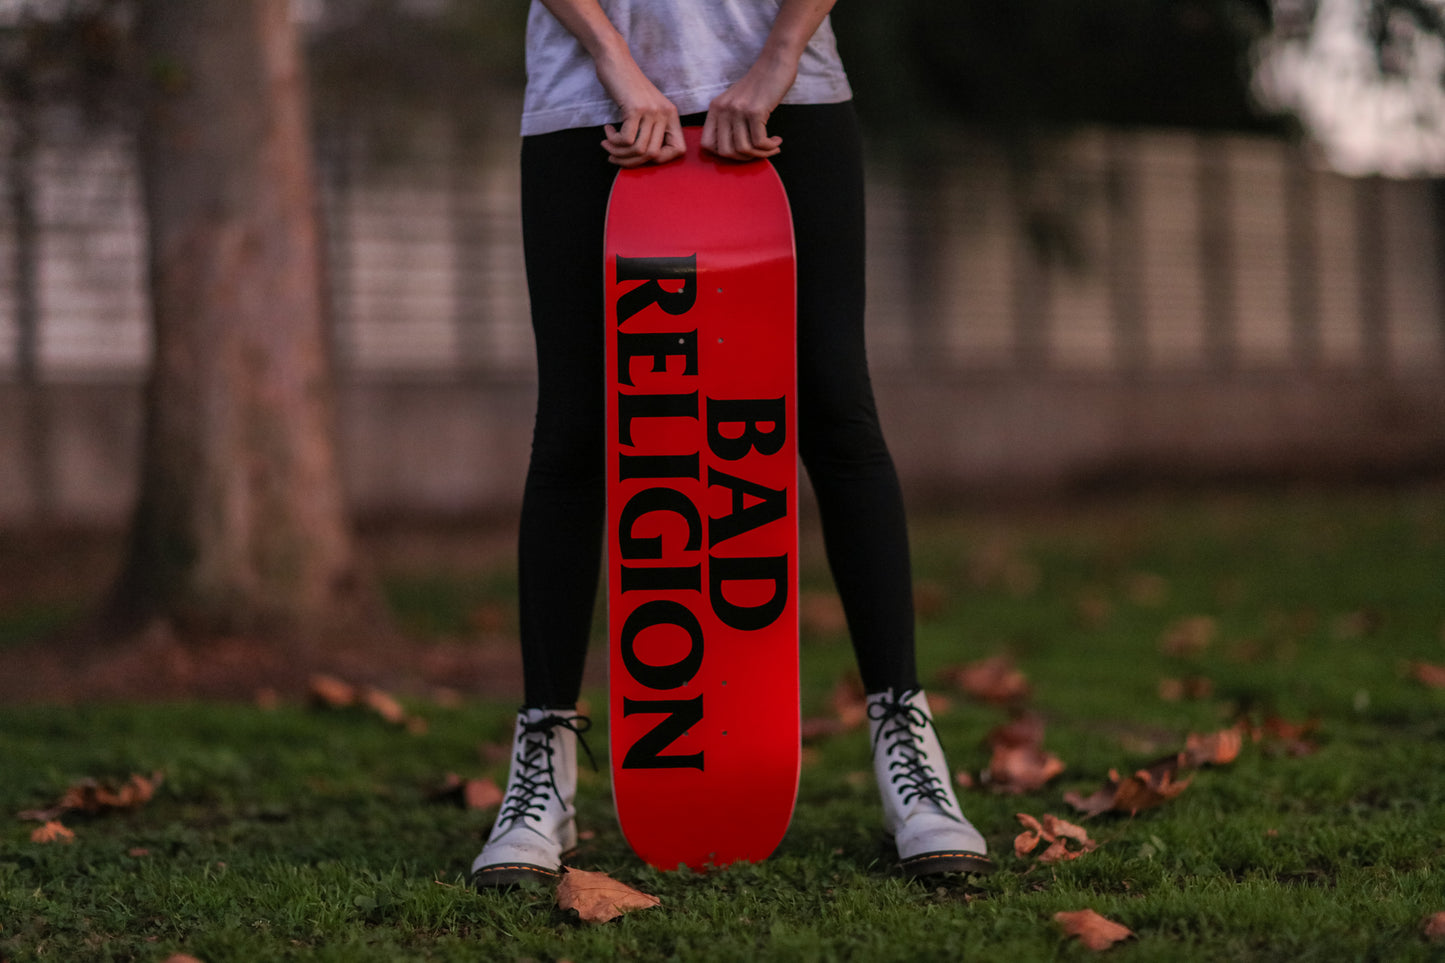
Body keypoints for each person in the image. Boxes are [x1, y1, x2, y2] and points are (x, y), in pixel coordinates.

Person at [470, 0, 992, 887]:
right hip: (587, 106)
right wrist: (614, 61)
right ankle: (542, 767)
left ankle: (909, 750)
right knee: (575, 430)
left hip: (785, 97)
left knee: (834, 408)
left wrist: (779, 53)